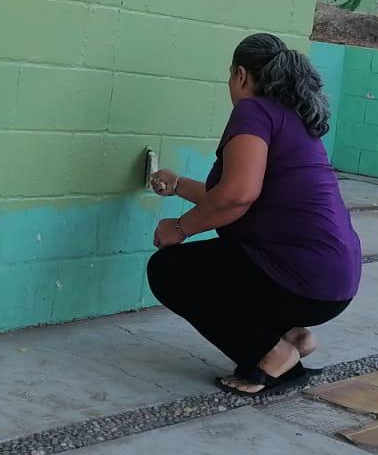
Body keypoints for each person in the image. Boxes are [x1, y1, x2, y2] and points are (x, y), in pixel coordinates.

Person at [146, 32, 362, 396]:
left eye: (231, 76)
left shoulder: (253, 111)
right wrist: (178, 183)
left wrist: (179, 229)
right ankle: (293, 335)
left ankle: (271, 352)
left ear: (242, 76)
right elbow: (237, 193)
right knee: (227, 265)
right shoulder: (292, 116)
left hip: (299, 279)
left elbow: (238, 196)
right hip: (334, 282)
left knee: (168, 271)